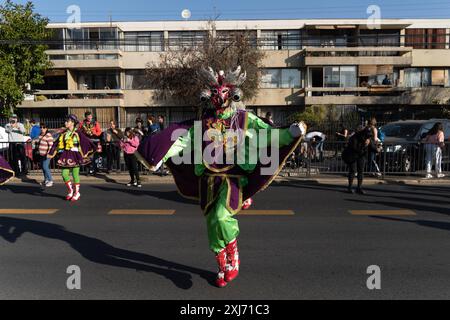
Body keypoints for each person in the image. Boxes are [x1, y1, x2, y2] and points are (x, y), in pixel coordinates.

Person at [137, 66, 306, 288]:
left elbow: (267, 135)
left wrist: (289, 133)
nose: (220, 99)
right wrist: (159, 155)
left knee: (220, 216)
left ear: (232, 95)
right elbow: (181, 140)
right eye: (215, 94)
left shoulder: (244, 119)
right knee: (211, 224)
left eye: (224, 94)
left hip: (233, 178)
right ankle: (221, 264)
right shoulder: (202, 123)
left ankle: (233, 254)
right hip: (208, 180)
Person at [48, 115, 96, 202]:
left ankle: (77, 193)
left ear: (73, 123)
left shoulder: (78, 132)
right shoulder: (63, 133)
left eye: (67, 121)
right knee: (64, 174)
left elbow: (86, 141)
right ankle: (71, 191)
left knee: (75, 174)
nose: (66, 123)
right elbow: (56, 143)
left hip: (75, 155)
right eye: (65, 121)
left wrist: (92, 149)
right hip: (66, 154)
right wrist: (51, 152)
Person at [342, 126, 372, 195]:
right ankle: (350, 187)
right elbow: (354, 148)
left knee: (361, 171)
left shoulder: (367, 137)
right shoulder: (354, 137)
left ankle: (359, 187)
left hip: (361, 156)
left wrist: (376, 149)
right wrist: (364, 145)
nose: (368, 136)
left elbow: (372, 145)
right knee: (353, 170)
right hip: (353, 155)